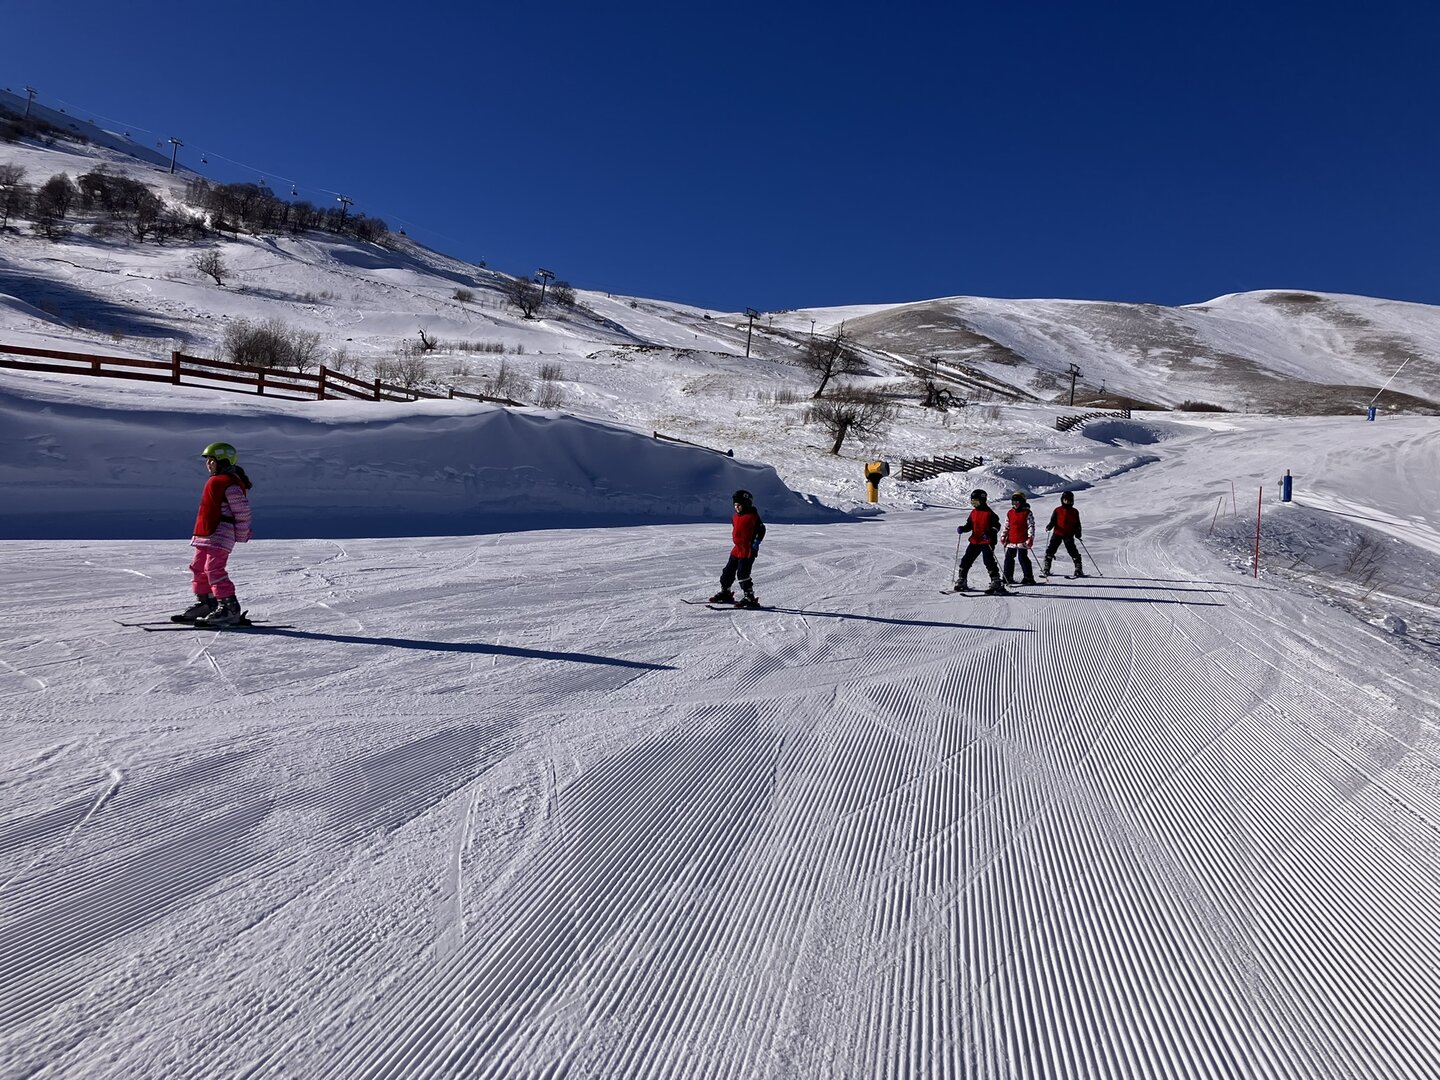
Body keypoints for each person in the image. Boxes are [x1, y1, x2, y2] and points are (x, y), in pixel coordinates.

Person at [178, 441, 254, 626]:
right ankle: (208, 604)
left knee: (214, 569)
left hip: (221, 534)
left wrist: (242, 534)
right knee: (198, 567)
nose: (208, 464)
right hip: (205, 534)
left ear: (224, 461)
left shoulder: (231, 484)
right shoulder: (217, 481)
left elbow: (242, 511)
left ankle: (229, 608)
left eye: (212, 460)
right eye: (207, 461)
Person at [710, 489, 766, 608]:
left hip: (747, 550)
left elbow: (761, 530)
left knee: (743, 574)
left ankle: (749, 597)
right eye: (735, 505)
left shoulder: (752, 516)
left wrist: (755, 544)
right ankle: (726, 592)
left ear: (746, 504)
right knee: (727, 572)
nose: (736, 507)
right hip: (737, 549)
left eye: (739, 505)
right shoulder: (735, 517)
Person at [955, 489, 1007, 595]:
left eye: (976, 502)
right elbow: (969, 525)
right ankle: (962, 580)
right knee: (966, 560)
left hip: (987, 541)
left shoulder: (990, 513)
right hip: (975, 540)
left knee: (988, 560)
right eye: (972, 501)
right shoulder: (973, 513)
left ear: (983, 501)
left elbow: (996, 526)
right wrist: (963, 528)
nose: (974, 504)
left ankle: (996, 581)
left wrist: (990, 532)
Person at [1043, 489, 1085, 578]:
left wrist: (1078, 533)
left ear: (1072, 501)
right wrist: (1049, 526)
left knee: (1072, 550)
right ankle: (1046, 567)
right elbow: (1053, 521)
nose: (1067, 501)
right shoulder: (1057, 510)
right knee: (1051, 550)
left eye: (1069, 500)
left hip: (1069, 534)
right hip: (1057, 533)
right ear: (1062, 500)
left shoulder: (1074, 511)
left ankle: (1078, 568)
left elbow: (1077, 524)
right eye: (1065, 500)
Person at [1000, 491, 1038, 585]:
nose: (1015, 504)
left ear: (1022, 502)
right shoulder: (1010, 513)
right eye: (1013, 502)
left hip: (1023, 540)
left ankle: (1028, 577)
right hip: (1011, 540)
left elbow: (1031, 526)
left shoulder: (1027, 513)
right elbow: (1007, 526)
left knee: (1023, 558)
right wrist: (1003, 536)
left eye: (1017, 502)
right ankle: (1007, 576)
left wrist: (1030, 538)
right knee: (1009, 558)